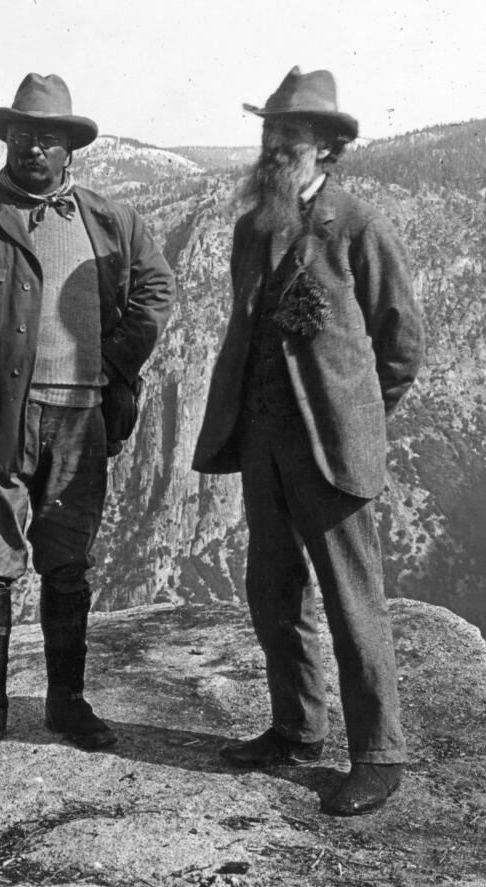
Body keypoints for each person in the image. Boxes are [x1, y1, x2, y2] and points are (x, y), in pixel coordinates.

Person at [0, 73, 174, 763]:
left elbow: (156, 289)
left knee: (67, 566)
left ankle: (67, 702)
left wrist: (117, 362)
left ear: (71, 152)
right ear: (8, 141)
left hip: (81, 418)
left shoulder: (112, 222)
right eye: (24, 136)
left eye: (50, 139)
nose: (35, 149)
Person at [193, 67, 424, 815]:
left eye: (287, 137)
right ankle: (296, 729)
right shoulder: (252, 226)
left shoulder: (357, 226)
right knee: (272, 588)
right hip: (262, 442)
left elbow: (401, 346)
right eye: (268, 134)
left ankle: (380, 754)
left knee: (353, 599)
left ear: (326, 149)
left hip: (331, 448)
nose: (272, 148)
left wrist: (356, 414)